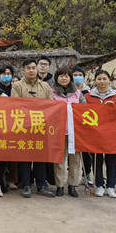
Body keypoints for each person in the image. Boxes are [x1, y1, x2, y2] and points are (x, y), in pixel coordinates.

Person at [11, 59, 56, 198]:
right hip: (24, 127)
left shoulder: (45, 86)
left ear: (37, 69)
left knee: (40, 157)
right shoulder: (17, 86)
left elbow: (51, 105)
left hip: (40, 127)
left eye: (33, 68)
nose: (31, 70)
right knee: (25, 158)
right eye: (28, 68)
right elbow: (15, 105)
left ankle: (42, 185)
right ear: (23, 70)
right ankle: (26, 184)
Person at [85, 69, 116, 198]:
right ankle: (99, 185)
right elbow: (83, 112)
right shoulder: (88, 96)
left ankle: (111, 186)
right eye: (99, 79)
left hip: (112, 134)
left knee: (111, 160)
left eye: (104, 79)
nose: (102, 81)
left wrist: (115, 108)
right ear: (95, 80)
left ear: (109, 80)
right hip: (95, 133)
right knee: (96, 160)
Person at [50, 67, 86, 198]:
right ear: (56, 78)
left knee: (75, 159)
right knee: (59, 159)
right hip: (58, 132)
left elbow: (85, 109)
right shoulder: (51, 93)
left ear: (70, 78)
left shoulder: (78, 93)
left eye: (66, 76)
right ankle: (59, 186)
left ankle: (72, 185)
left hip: (75, 132)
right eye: (61, 76)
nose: (64, 78)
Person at [72, 66, 94, 186]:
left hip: (86, 125)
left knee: (86, 152)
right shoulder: (68, 91)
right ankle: (72, 176)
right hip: (71, 124)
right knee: (72, 152)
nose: (77, 77)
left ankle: (86, 175)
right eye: (75, 75)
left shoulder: (89, 92)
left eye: (80, 75)